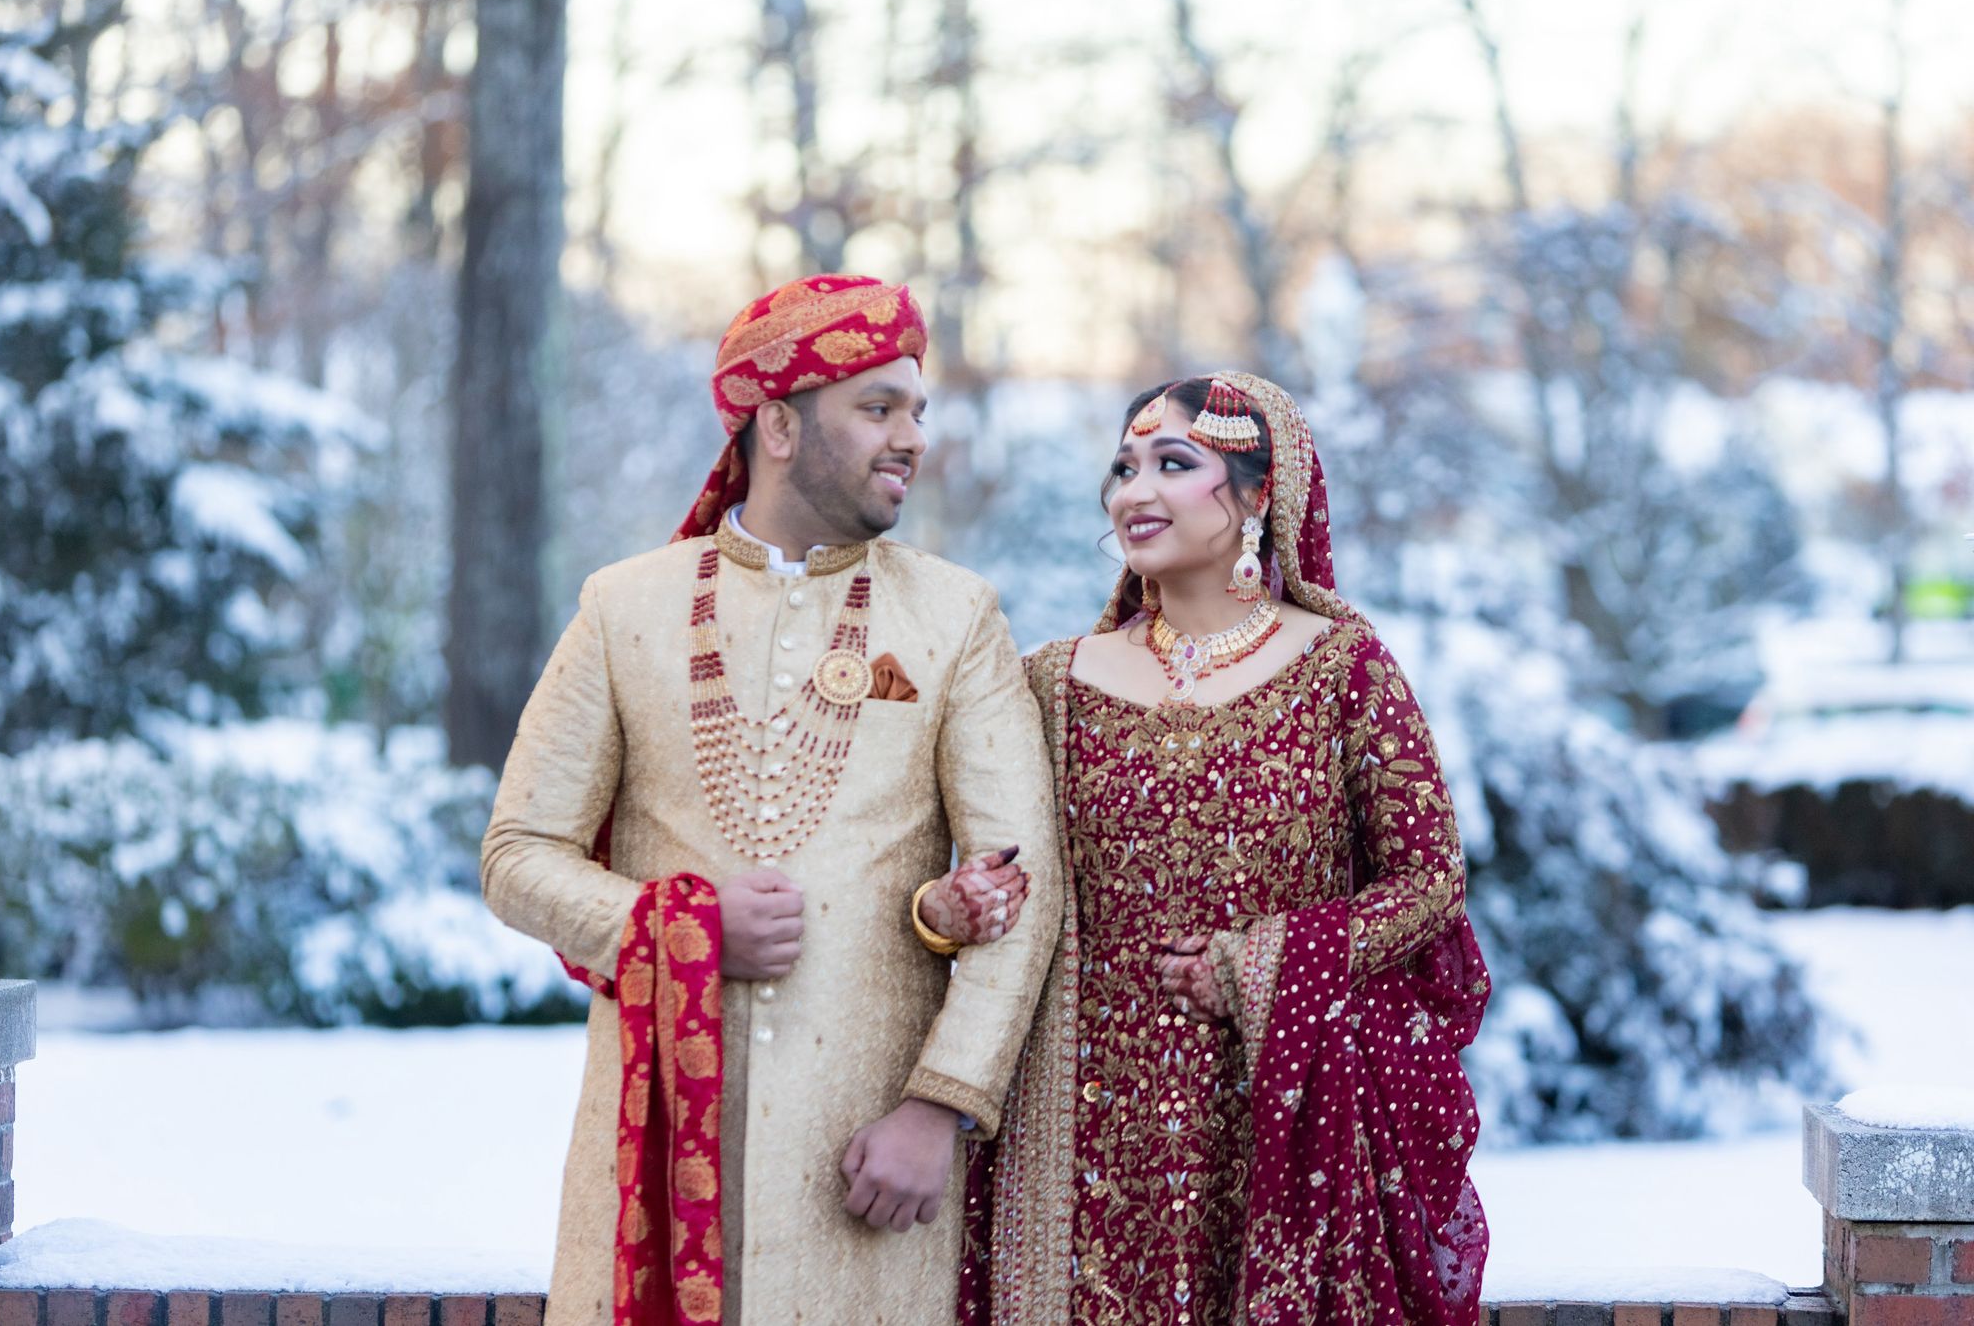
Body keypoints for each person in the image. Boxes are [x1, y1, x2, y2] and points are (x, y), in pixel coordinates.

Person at [480, 274, 1060, 1326]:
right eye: (877, 408)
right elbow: (517, 854)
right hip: (650, 1149)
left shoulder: (954, 616)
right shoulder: (626, 607)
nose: (910, 438)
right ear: (780, 425)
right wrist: (679, 924)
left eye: (917, 411)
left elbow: (1023, 884)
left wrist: (939, 1108)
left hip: (864, 1170)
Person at [928, 372, 1490, 1325]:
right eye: (1122, 468)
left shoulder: (1341, 667)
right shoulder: (1049, 682)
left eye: (1172, 464)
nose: (1132, 491)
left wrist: (1262, 963)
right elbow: (985, 864)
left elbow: (1431, 881)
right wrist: (947, 909)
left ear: (1262, 494)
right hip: (1081, 1138)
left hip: (1281, 1116)